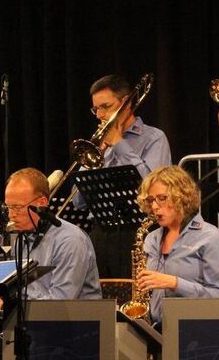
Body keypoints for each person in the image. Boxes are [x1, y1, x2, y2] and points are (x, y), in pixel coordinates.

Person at [73, 74, 171, 278]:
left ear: (126, 103)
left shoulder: (154, 138)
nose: (99, 114)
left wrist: (119, 144)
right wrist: (93, 158)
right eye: (95, 109)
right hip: (101, 232)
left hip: (138, 232)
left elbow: (153, 188)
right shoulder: (100, 143)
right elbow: (78, 202)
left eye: (105, 107)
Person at [0, 168, 102, 319]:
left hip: (74, 330)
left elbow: (59, 303)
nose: (11, 215)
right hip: (37, 327)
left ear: (42, 203)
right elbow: (22, 293)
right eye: (8, 207)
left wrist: (4, 308)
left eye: (17, 207)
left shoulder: (70, 240)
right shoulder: (20, 239)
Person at [136, 165, 219, 325]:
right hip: (155, 330)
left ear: (181, 197)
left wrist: (175, 283)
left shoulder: (211, 237)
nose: (154, 207)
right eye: (151, 200)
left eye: (162, 198)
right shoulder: (151, 239)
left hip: (195, 330)